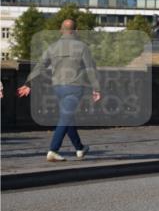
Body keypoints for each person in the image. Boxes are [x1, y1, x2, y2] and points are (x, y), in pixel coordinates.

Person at [17, 18, 101, 161]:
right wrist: (96, 88)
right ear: (76, 31)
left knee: (67, 117)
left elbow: (40, 66)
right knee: (65, 117)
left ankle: (80, 148)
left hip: (58, 88)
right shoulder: (82, 47)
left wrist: (29, 83)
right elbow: (90, 69)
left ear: (61, 30)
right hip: (75, 86)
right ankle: (53, 150)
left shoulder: (52, 47)